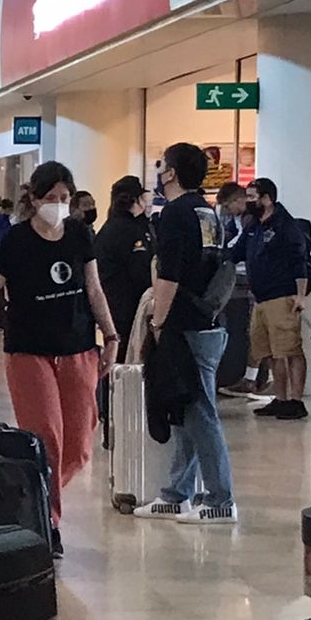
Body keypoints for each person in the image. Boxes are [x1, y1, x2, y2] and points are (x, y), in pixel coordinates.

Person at [0, 162, 120, 556]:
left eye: (64, 198)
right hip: (29, 352)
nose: (58, 205)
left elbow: (93, 288)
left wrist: (110, 335)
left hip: (77, 349)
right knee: (47, 440)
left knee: (78, 444)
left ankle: (37, 498)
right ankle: (48, 521)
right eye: (51, 198)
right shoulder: (16, 240)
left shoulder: (79, 234)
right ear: (34, 199)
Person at [133, 143, 238, 524]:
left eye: (162, 165)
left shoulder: (176, 213)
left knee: (199, 411)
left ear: (172, 173)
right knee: (186, 410)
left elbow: (169, 273)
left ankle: (220, 499)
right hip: (208, 322)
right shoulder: (206, 211)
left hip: (186, 326)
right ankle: (177, 493)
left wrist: (157, 321)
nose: (159, 171)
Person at [243, 177, 311, 420]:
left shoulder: (286, 226)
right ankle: (280, 398)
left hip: (283, 297)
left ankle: (295, 400)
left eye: (252, 197)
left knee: (289, 350)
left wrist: (301, 295)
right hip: (260, 299)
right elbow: (237, 251)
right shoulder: (253, 225)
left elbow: (299, 262)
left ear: (267, 199)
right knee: (269, 351)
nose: (248, 201)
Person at [94, 175, 155, 350]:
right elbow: (142, 271)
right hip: (129, 310)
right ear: (136, 200)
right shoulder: (131, 232)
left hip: (112, 307)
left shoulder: (108, 228)